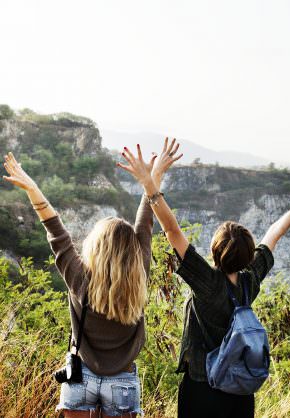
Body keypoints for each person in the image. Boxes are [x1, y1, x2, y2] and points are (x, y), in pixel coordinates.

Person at [117, 137, 290, 418]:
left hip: (202, 386)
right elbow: (275, 233)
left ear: (214, 250)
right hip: (240, 390)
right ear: (249, 255)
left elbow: (172, 230)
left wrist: (149, 184)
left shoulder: (207, 282)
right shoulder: (250, 280)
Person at [2, 148, 178, 418]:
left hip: (79, 379)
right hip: (123, 382)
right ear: (133, 252)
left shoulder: (78, 278)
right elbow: (145, 223)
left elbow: (55, 230)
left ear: (96, 247)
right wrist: (153, 178)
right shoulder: (139, 273)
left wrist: (33, 189)